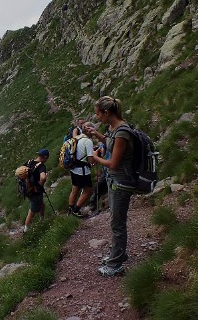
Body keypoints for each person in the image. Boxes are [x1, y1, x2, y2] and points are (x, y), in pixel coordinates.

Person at [87, 96, 134, 276]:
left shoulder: (122, 132)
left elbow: (113, 163)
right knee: (116, 220)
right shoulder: (115, 128)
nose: (97, 117)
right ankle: (118, 254)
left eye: (98, 113)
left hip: (121, 181)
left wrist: (95, 158)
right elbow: (111, 143)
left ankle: (115, 264)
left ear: (107, 113)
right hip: (116, 180)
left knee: (117, 222)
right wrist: (97, 135)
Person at [65, 125, 96, 217]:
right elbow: (91, 160)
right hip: (82, 170)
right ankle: (76, 210)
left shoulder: (76, 138)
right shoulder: (88, 141)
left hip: (73, 168)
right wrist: (96, 155)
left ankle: (70, 210)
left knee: (75, 189)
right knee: (88, 190)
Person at [22, 149, 49, 233]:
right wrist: (41, 184)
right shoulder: (41, 166)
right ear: (45, 157)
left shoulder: (29, 162)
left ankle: (42, 219)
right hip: (36, 191)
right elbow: (43, 177)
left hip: (27, 189)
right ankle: (26, 230)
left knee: (42, 204)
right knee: (32, 211)